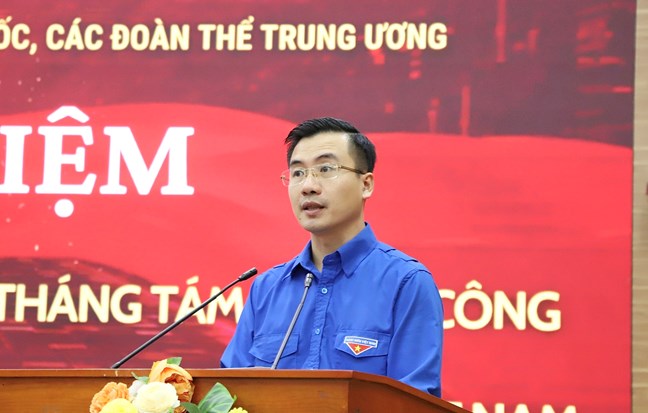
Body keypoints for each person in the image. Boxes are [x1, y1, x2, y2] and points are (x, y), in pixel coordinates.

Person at [220, 117, 443, 396]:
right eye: (298, 173)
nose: (308, 186)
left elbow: (413, 401)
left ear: (366, 184)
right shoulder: (266, 289)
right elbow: (227, 396)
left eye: (325, 169)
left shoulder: (406, 283)